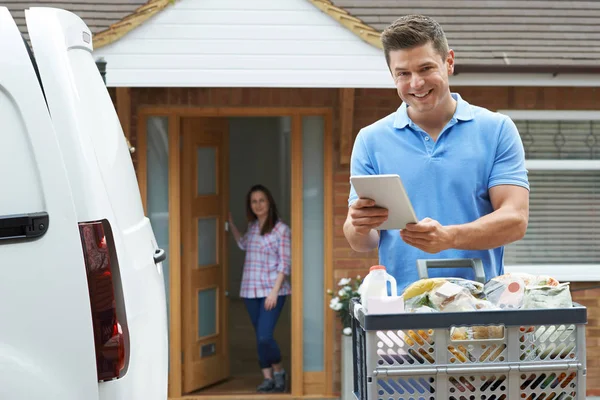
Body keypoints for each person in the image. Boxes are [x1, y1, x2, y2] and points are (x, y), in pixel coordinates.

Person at [345, 15, 530, 292]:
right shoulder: (371, 139)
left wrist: (450, 237)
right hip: (401, 310)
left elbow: (515, 220)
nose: (416, 83)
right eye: (403, 74)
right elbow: (363, 242)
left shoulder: (497, 130)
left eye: (425, 68)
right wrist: (358, 225)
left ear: (449, 62)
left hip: (481, 308)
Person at [228, 184, 291, 393]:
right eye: (254, 201)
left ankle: (279, 371)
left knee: (265, 336)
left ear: (269, 202)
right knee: (259, 336)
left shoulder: (281, 229)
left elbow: (285, 263)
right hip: (250, 290)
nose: (258, 205)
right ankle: (268, 377)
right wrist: (230, 224)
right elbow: (244, 244)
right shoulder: (253, 227)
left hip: (272, 292)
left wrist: (274, 291)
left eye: (261, 200)